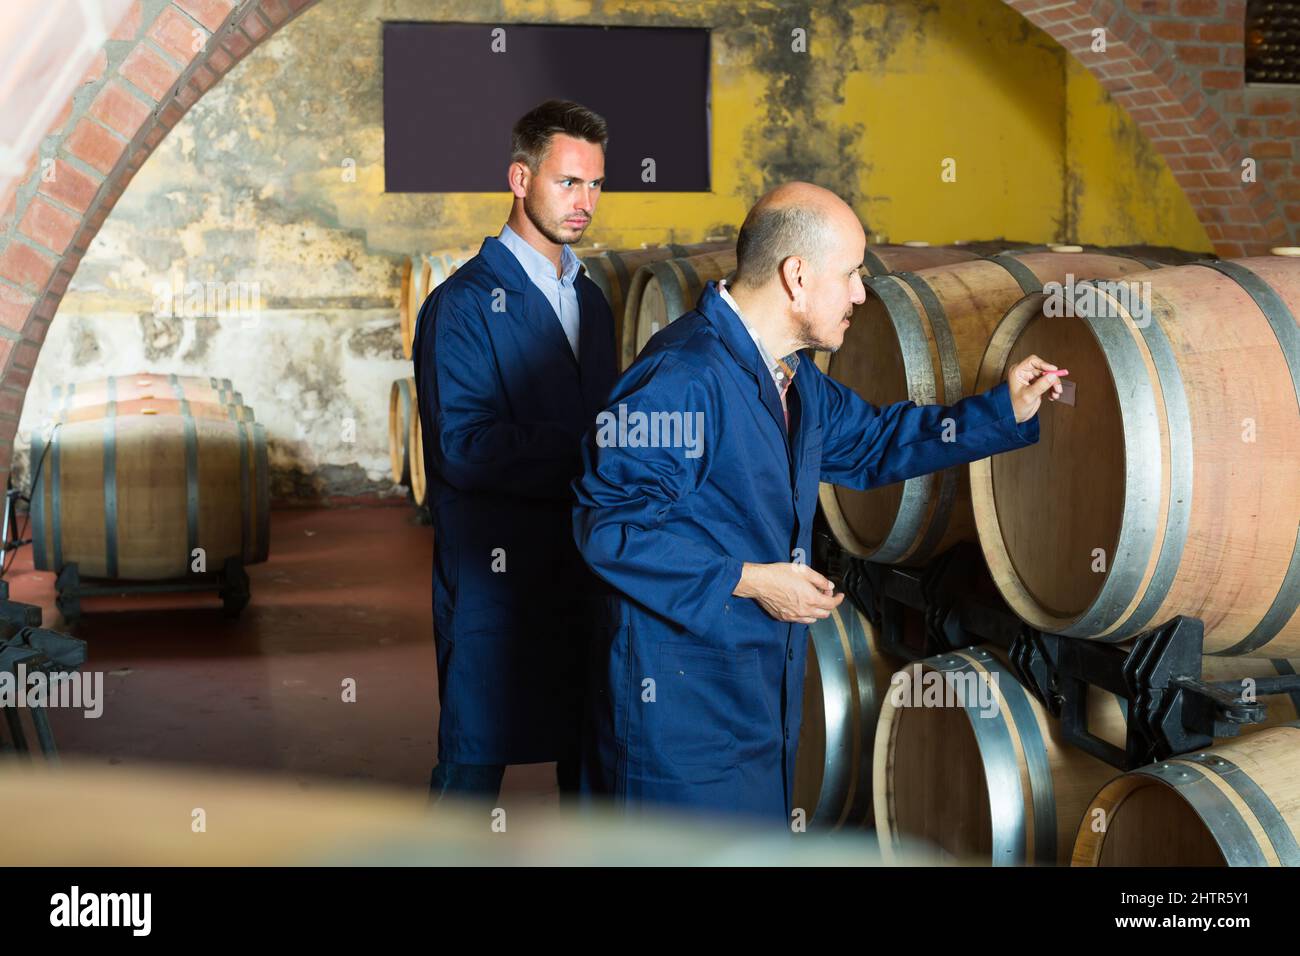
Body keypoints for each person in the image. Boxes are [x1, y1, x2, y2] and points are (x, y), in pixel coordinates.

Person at [571, 181, 1065, 823]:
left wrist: (1006, 411)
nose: (862, 292)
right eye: (852, 273)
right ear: (796, 276)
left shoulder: (790, 378)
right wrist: (751, 581)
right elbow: (607, 526)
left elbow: (877, 443)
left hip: (752, 694)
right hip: (678, 714)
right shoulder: (683, 379)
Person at [413, 100, 619, 801]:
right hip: (494, 581)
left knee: (590, 768)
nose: (585, 202)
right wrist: (596, 452)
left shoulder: (590, 300)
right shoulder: (464, 305)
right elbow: (463, 448)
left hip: (582, 570)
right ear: (519, 178)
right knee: (472, 772)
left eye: (595, 184)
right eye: (568, 182)